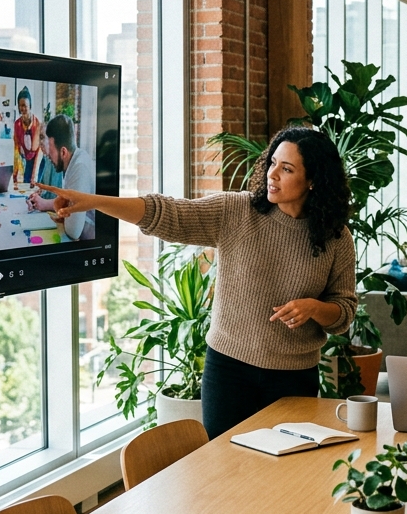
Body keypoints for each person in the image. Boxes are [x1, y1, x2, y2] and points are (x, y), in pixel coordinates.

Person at [42, 126, 357, 438]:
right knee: (223, 469)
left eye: (286, 169)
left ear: (314, 180)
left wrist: (315, 308)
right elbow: (169, 213)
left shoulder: (336, 238)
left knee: (287, 473)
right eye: (272, 163)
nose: (272, 175)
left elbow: (343, 313)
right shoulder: (238, 211)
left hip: (294, 378)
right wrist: (94, 201)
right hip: (229, 372)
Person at [31, 115, 94, 241]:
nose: (48, 154)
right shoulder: (74, 162)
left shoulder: (79, 167)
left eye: (51, 149)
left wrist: (61, 209)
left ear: (63, 152)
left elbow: (73, 231)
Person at [14, 87, 41, 183]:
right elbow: (16, 148)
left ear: (30, 105)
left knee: (34, 184)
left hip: (38, 160)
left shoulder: (37, 124)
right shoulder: (17, 124)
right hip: (25, 159)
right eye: (20, 106)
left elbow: (38, 151)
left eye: (25, 105)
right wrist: (16, 173)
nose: (23, 108)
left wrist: (34, 175)